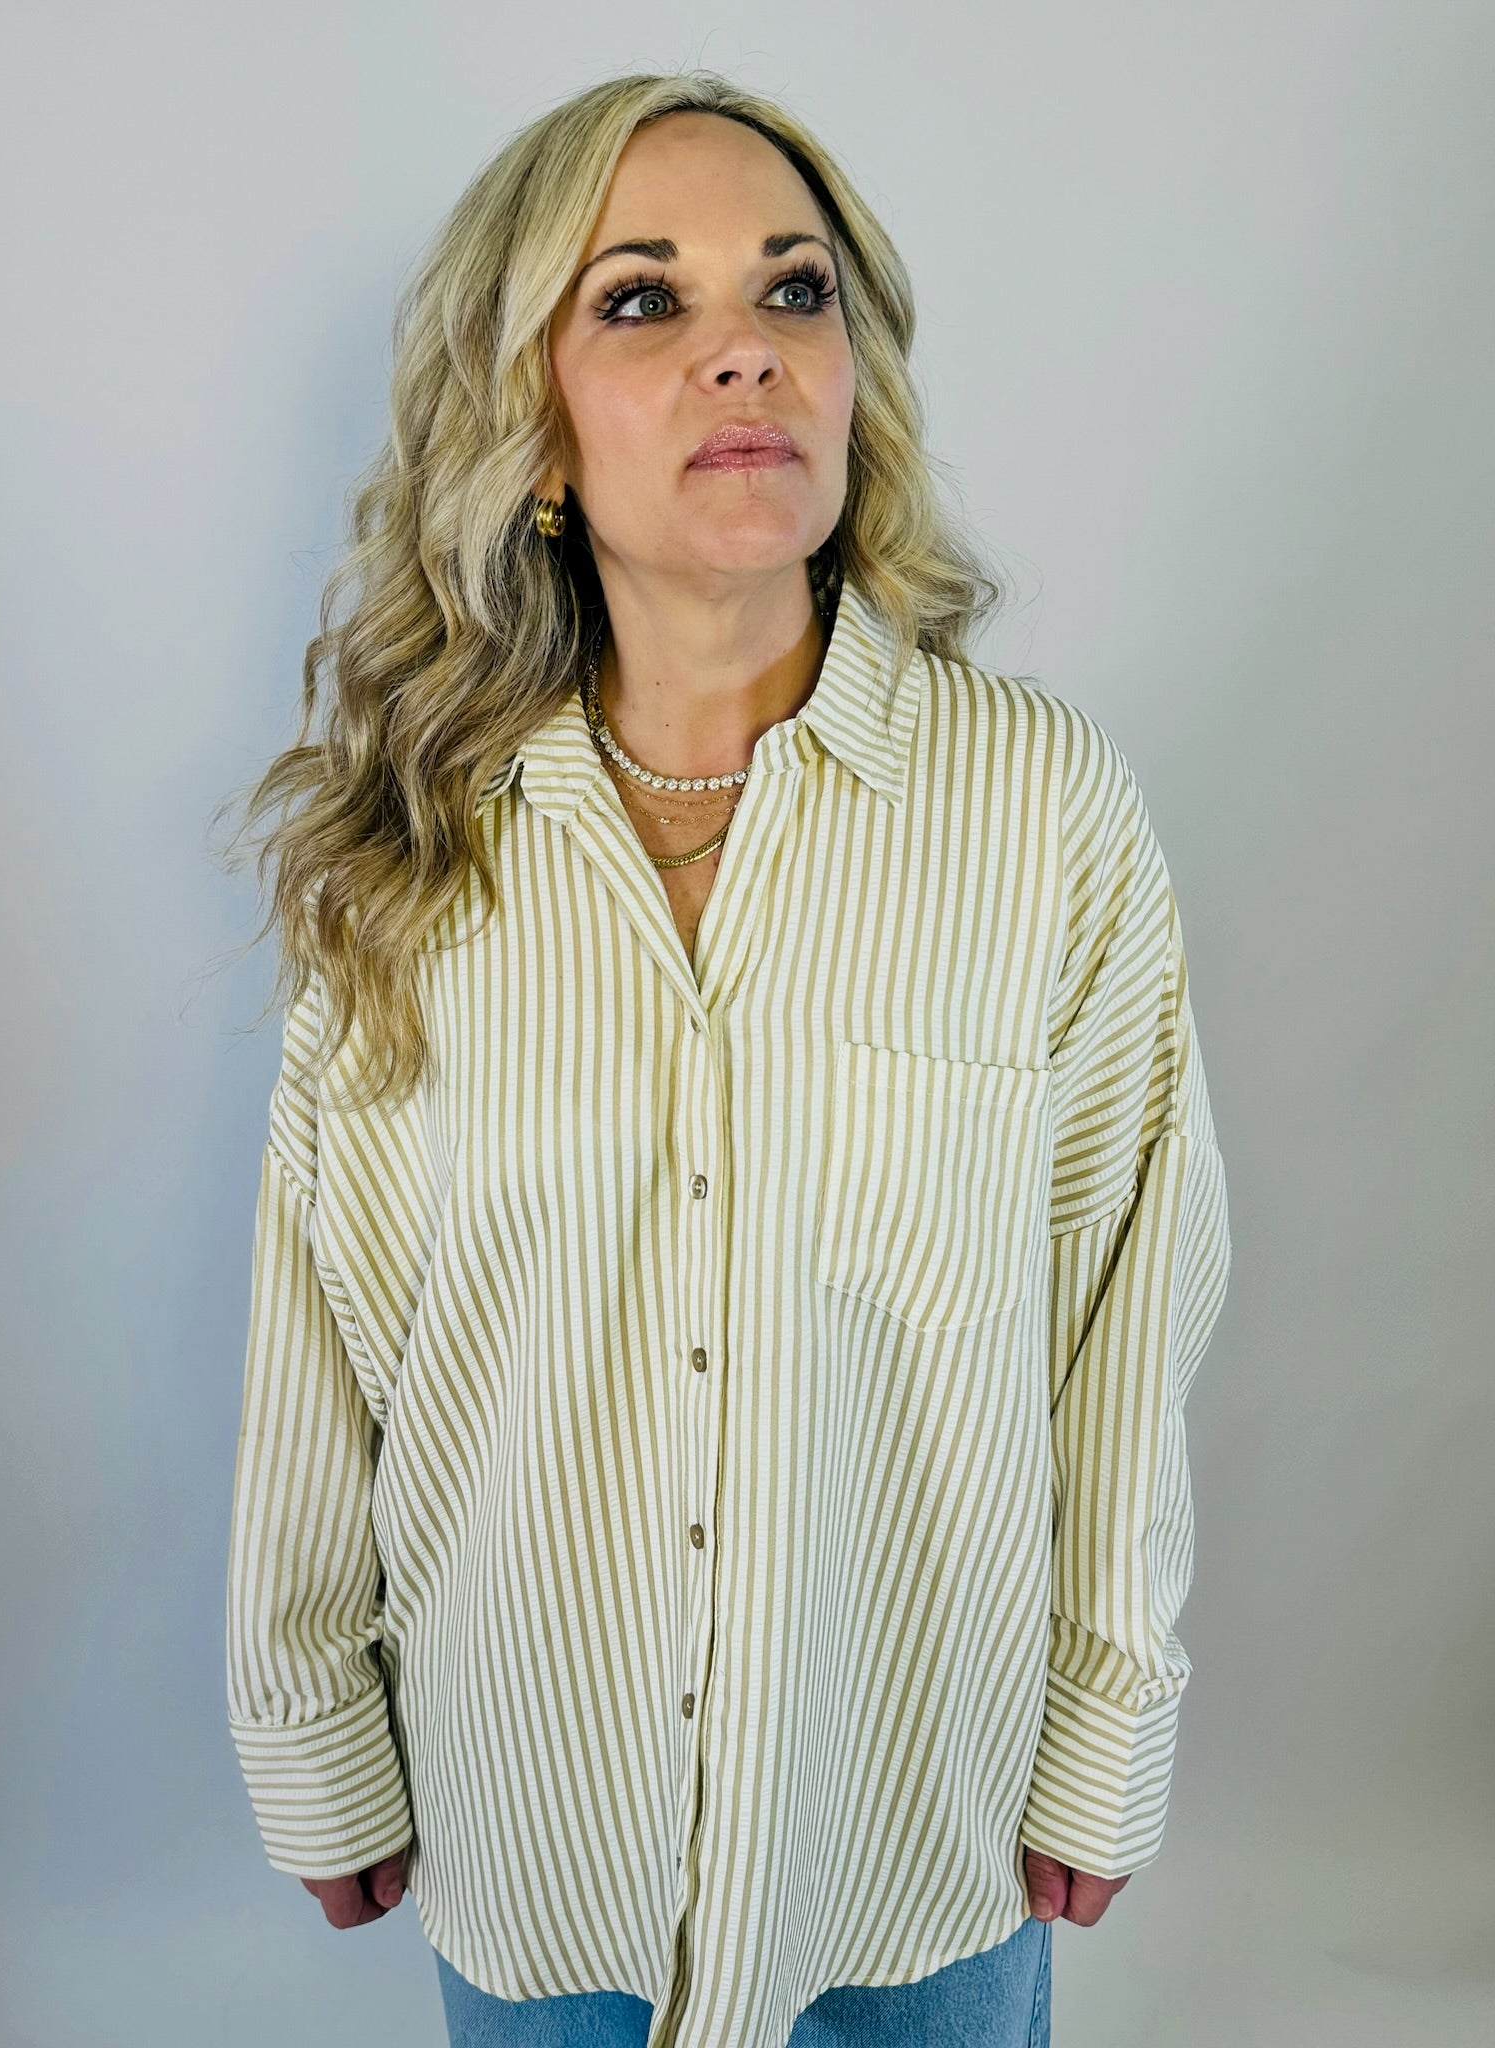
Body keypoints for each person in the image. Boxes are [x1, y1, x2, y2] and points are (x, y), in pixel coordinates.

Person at [221, 68, 1232, 2048]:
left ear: (854, 377)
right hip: (542, 1844)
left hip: (914, 1843)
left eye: (792, 290)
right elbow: (322, 1323)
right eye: (641, 300)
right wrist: (308, 1710)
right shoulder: (412, 853)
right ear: (532, 423)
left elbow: (1127, 1295)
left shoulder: (1039, 811)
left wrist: (1111, 1714)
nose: (744, 351)